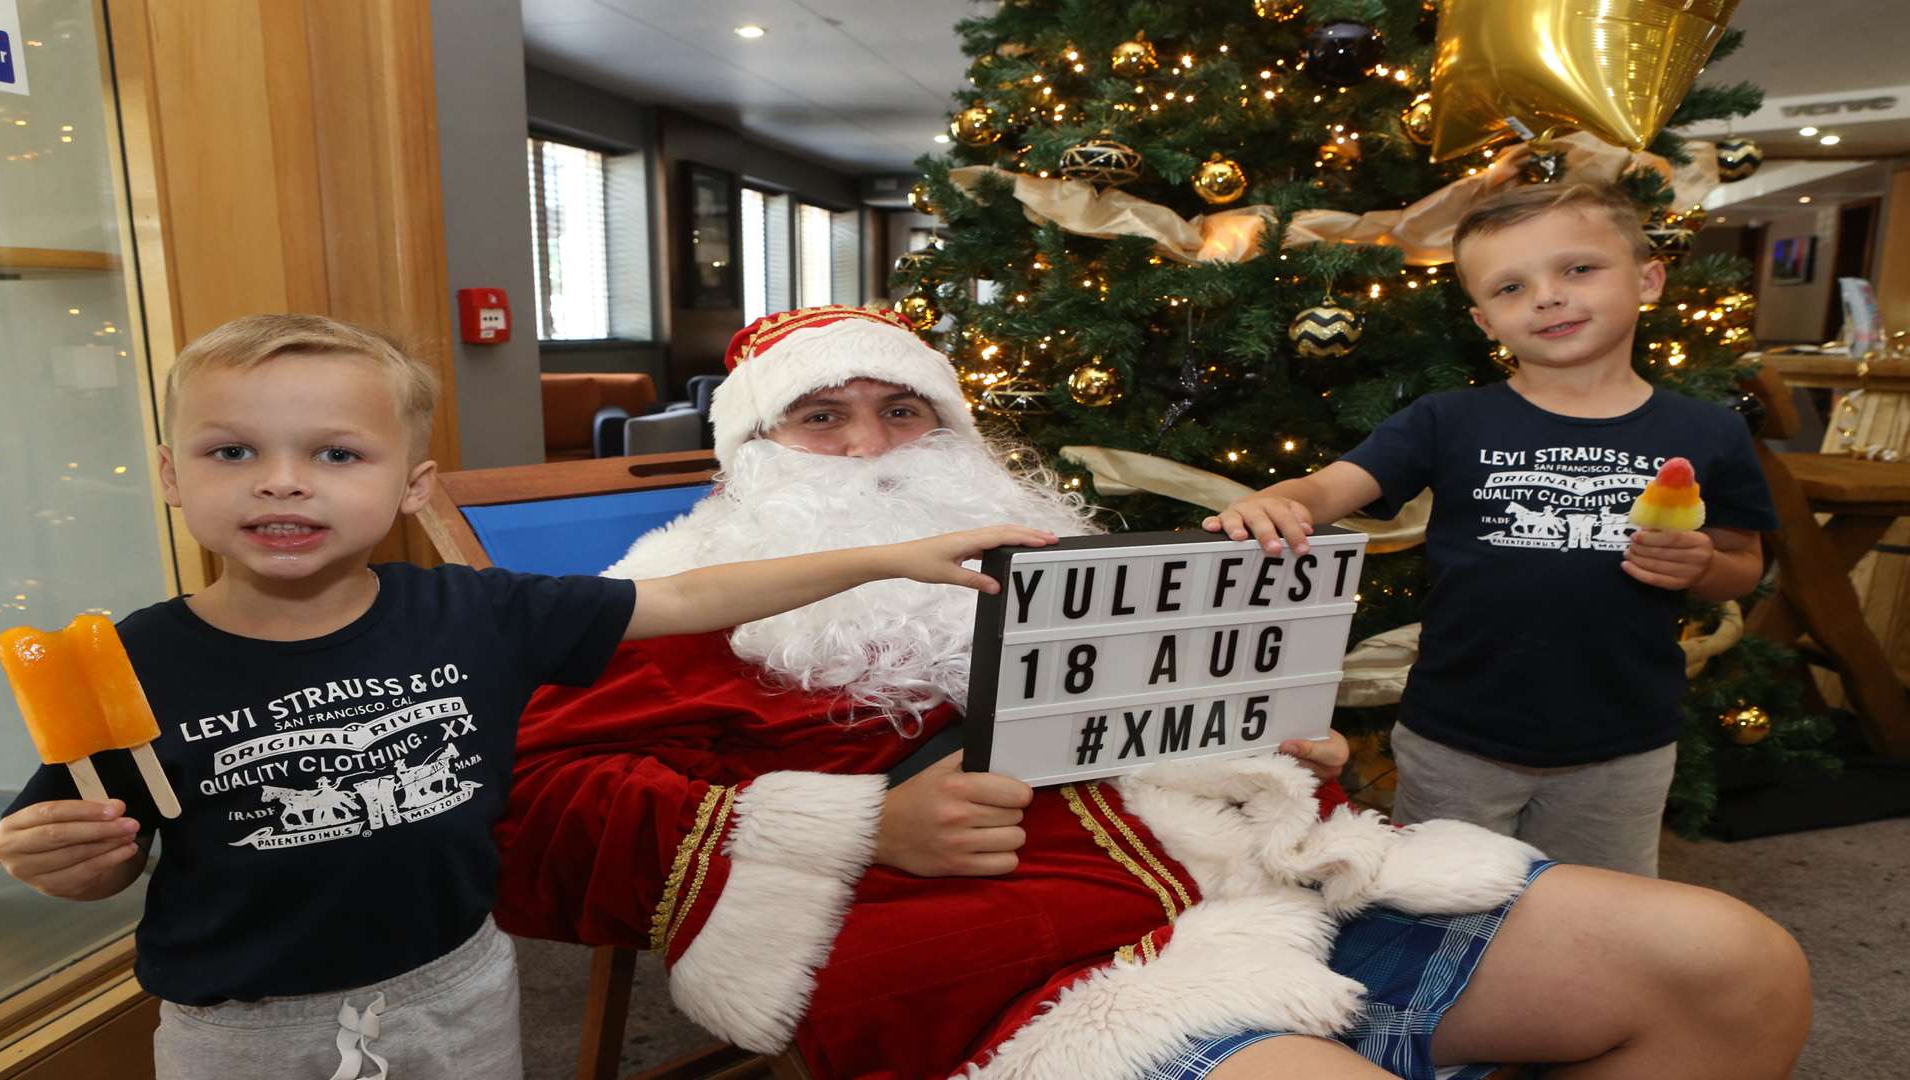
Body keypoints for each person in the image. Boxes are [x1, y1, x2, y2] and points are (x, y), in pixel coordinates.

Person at [496, 304, 1809, 1080]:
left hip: (1283, 881)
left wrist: (1274, 750)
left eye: (906, 415)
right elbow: (527, 818)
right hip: (1031, 981)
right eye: (821, 419)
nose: (872, 449)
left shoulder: (1067, 565)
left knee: (1730, 966)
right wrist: (855, 828)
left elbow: (1190, 724)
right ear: (749, 455)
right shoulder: (677, 605)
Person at [0, 313, 1055, 1080]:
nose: (283, 480)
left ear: (412, 484)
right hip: (241, 1025)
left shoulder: (481, 611)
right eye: (234, 453)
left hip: (453, 990)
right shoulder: (136, 661)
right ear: (175, 477)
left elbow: (691, 592)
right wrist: (70, 861)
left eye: (335, 453)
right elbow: (97, 841)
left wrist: (881, 556)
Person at [1208, 182, 1779, 879]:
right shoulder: (1448, 419)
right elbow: (1332, 486)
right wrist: (1279, 499)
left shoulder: (1709, 430)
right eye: (1511, 287)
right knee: (1440, 905)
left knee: (1600, 915)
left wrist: (1701, 567)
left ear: (1649, 279)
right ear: (1484, 323)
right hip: (1456, 739)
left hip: (1622, 744)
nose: (1546, 296)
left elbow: (1743, 561)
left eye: (1578, 269)